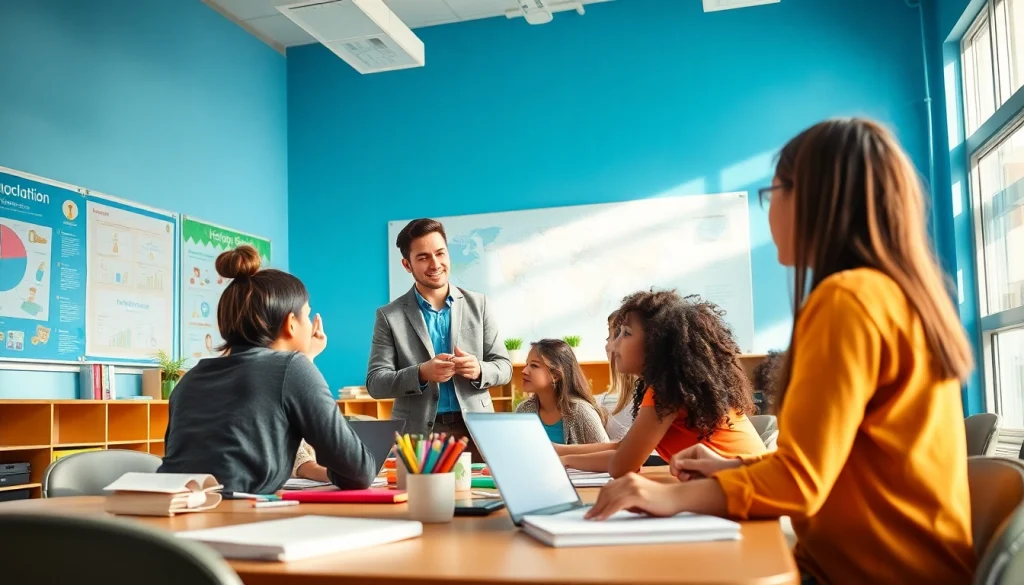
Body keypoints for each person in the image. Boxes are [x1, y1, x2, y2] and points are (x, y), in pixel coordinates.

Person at [585, 119, 976, 585]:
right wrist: (732, 467)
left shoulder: (847, 300)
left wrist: (667, 497)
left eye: (773, 194)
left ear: (812, 199)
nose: (770, 214)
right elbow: (839, 462)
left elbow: (802, 483)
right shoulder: (893, 296)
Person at [159, 246, 377, 493]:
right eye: (306, 315)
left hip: (171, 517)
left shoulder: (192, 377)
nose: (310, 324)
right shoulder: (292, 368)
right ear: (290, 324)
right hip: (234, 521)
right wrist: (304, 359)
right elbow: (359, 472)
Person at [557, 291, 765, 477]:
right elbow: (624, 448)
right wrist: (560, 451)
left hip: (747, 485)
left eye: (626, 333)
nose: (613, 344)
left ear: (657, 344)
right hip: (742, 481)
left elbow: (621, 465)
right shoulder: (672, 387)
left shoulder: (666, 392)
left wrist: (565, 460)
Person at [366, 219, 512, 456]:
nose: (435, 264)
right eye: (423, 257)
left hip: (477, 434)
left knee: (485, 494)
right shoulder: (389, 316)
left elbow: (504, 367)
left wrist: (478, 370)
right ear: (407, 265)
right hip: (418, 437)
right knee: (421, 495)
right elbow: (376, 383)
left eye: (440, 253)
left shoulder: (479, 305)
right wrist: (421, 373)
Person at [515, 339, 609, 444]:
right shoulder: (523, 410)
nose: (524, 371)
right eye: (526, 364)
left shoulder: (581, 412)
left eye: (534, 365)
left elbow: (608, 455)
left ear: (556, 375)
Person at [597, 310, 640, 441]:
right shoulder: (601, 403)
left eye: (625, 334)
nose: (612, 344)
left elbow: (624, 453)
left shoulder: (657, 396)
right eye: (614, 335)